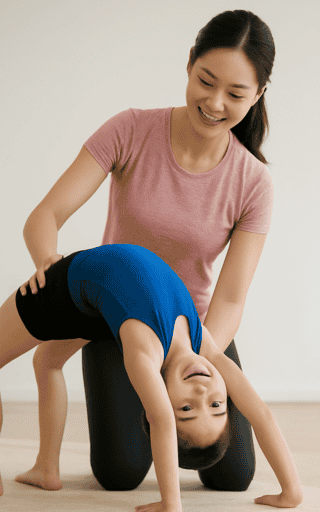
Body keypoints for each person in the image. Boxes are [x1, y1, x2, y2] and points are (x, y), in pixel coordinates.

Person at [17, 10, 274, 492]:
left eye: (236, 94)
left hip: (193, 329)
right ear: (189, 65)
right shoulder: (131, 130)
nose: (216, 103)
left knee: (233, 474)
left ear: (258, 95)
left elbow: (232, 298)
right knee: (120, 473)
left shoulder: (253, 182)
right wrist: (48, 259)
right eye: (206, 81)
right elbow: (45, 215)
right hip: (114, 319)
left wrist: (190, 357)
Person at [0, 244, 302, 509]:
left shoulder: (144, 352)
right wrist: (292, 490)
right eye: (216, 405)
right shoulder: (205, 347)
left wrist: (171, 505)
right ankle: (46, 468)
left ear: (160, 394)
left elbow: (161, 420)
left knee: (41, 361)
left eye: (186, 410)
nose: (201, 394)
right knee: (47, 361)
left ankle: (45, 468)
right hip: (98, 308)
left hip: (64, 289)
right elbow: (260, 414)